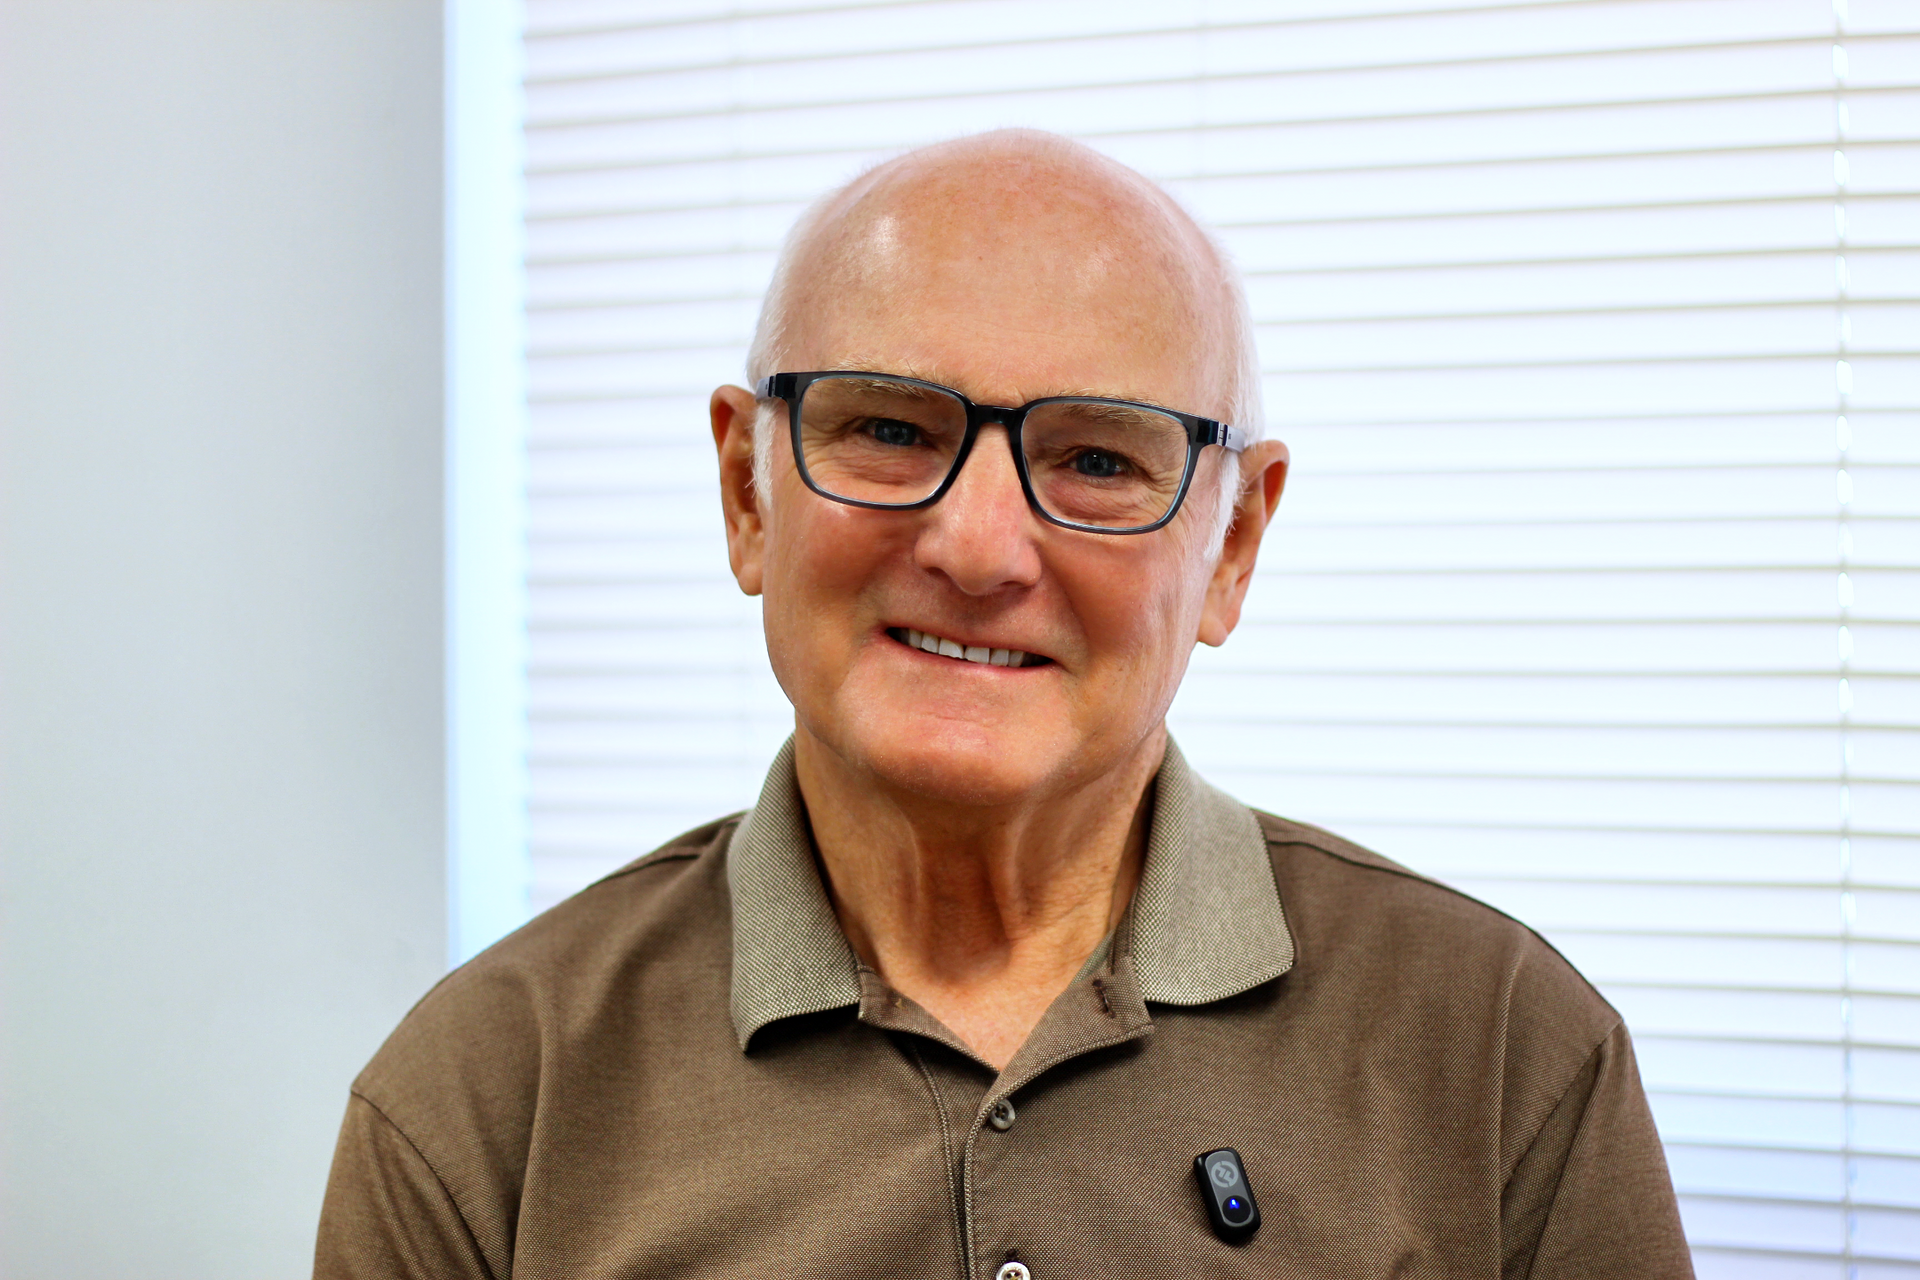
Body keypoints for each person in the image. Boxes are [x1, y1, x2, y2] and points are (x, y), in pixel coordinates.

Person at [315, 130, 1693, 1280]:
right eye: (890, 430)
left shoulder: (1508, 1054)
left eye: (1096, 456)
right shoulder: (484, 1098)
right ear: (748, 491)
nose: (977, 548)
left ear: (1234, 547)